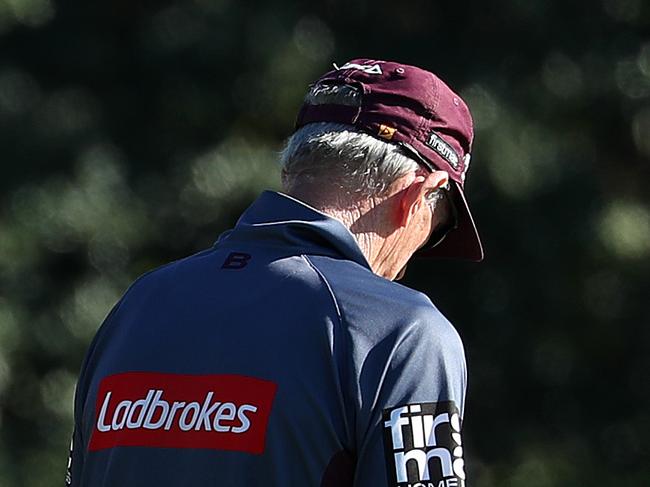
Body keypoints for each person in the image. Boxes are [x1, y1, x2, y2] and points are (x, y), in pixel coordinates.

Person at [66, 58, 483, 487]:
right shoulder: (401, 333)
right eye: (439, 230)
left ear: (292, 168)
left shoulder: (136, 306)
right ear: (421, 192)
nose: (414, 258)